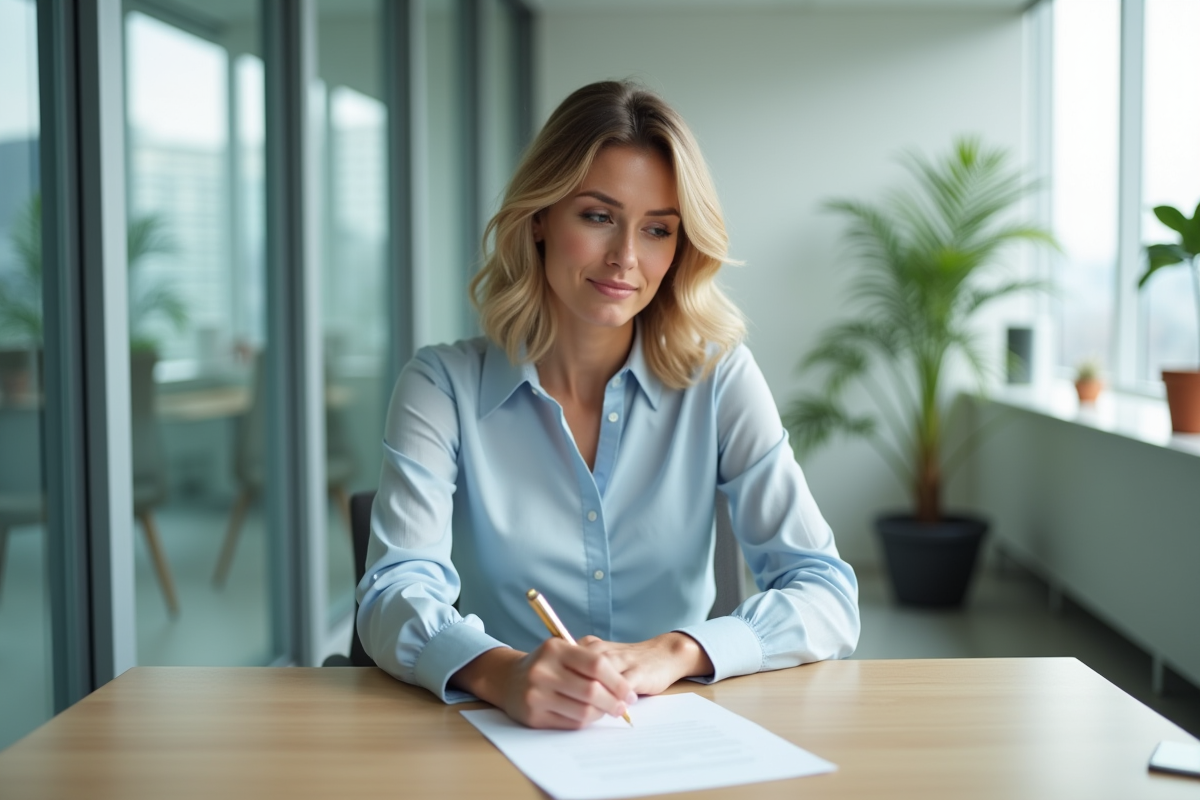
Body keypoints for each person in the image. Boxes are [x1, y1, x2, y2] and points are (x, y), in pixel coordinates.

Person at [357, 80, 860, 730]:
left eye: (657, 230)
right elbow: (393, 591)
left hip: (677, 733)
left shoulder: (720, 377)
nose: (626, 257)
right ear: (539, 218)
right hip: (498, 732)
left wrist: (678, 651)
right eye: (597, 216)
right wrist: (500, 672)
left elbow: (826, 591)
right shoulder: (441, 385)